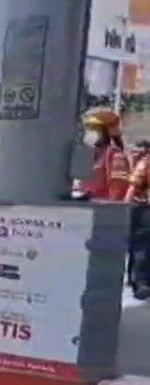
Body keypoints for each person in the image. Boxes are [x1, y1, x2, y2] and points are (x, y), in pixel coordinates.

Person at [79, 108, 131, 201]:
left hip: (102, 208)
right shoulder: (90, 153)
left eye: (95, 128)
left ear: (107, 131)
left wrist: (110, 209)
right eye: (89, 128)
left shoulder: (115, 155)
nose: (90, 132)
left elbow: (118, 189)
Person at [126, 139, 150, 296]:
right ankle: (140, 282)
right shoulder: (146, 162)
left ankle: (138, 280)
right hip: (144, 208)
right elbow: (134, 184)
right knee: (142, 247)